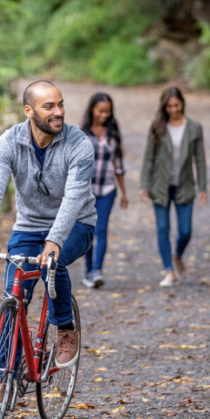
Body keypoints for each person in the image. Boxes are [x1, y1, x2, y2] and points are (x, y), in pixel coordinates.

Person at [0, 80, 96, 407]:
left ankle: (65, 328)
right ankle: (4, 378)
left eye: (60, 104)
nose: (58, 111)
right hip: (29, 227)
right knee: (13, 294)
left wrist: (54, 241)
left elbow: (74, 200)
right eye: (49, 107)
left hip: (76, 224)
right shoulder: (9, 142)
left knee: (51, 264)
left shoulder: (79, 144)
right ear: (29, 111)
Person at [139, 86, 207, 288]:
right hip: (160, 186)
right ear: (164, 107)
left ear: (182, 104)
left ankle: (177, 254)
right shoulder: (157, 126)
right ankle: (169, 271)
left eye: (176, 105)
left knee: (186, 231)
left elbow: (200, 159)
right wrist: (144, 185)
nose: (173, 109)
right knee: (162, 228)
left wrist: (202, 187)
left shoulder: (194, 127)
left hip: (184, 185)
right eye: (169, 106)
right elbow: (148, 158)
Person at [80, 92, 129, 289]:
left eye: (107, 112)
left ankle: (97, 270)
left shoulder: (113, 135)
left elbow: (118, 165)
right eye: (100, 111)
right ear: (92, 109)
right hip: (85, 191)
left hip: (108, 189)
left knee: (101, 228)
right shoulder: (81, 133)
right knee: (88, 230)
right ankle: (88, 270)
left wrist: (124, 192)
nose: (104, 115)